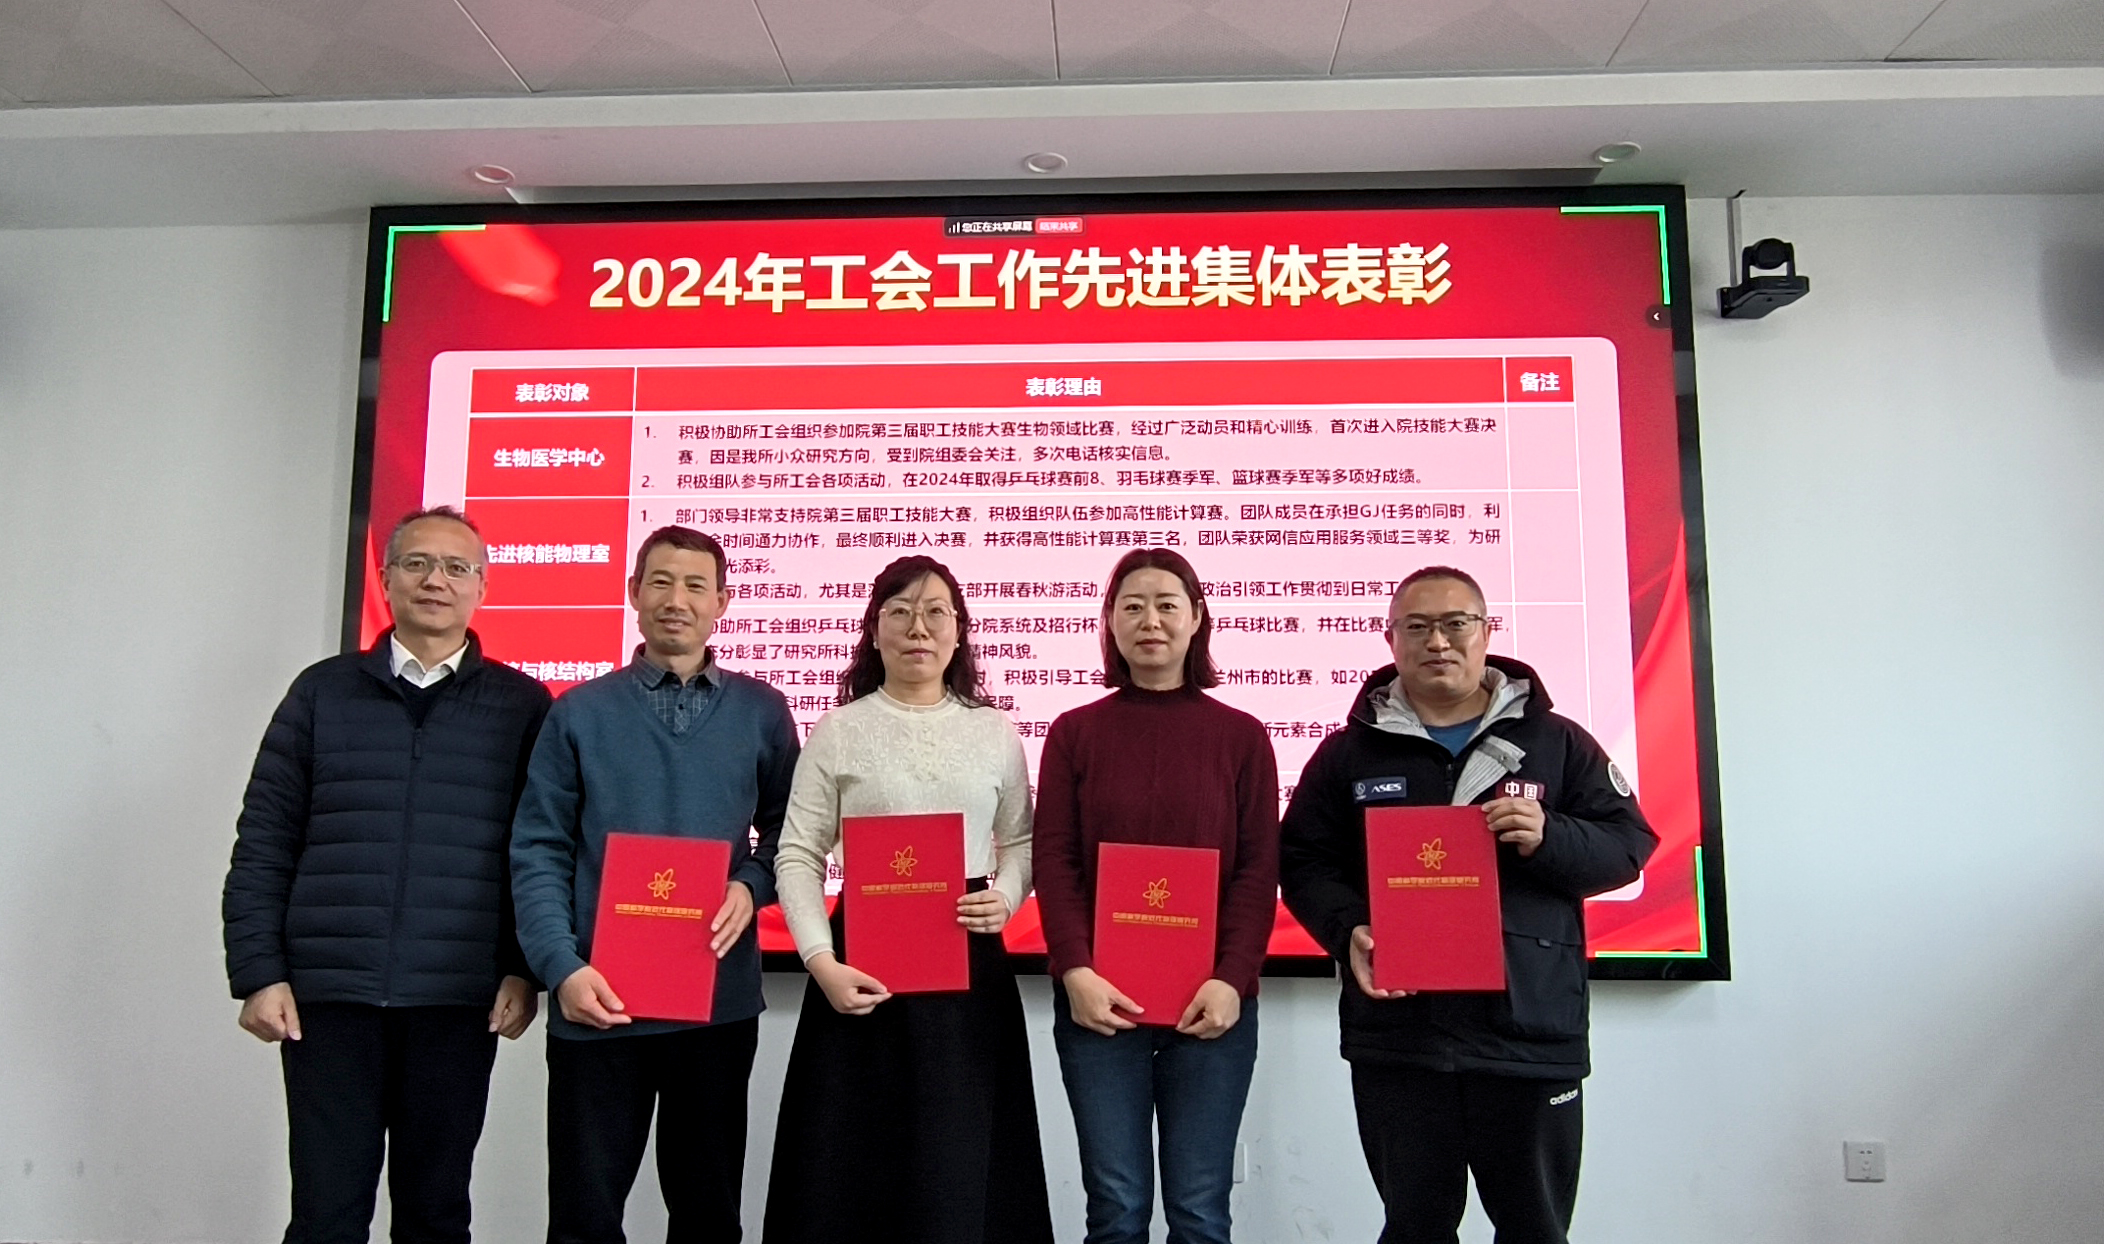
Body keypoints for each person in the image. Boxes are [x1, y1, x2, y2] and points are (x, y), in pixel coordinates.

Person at [1279, 565, 1656, 1244]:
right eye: (1418, 627)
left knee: (1536, 1229)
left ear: (1486, 632)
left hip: (1529, 1032)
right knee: (1414, 1227)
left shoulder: (1557, 742)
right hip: (1400, 1037)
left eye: (1456, 624)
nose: (1438, 642)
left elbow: (1629, 846)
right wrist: (1349, 928)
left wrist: (1550, 836)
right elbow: (1302, 860)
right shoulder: (1348, 754)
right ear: (1390, 639)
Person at [222, 504, 551, 1244]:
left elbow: (538, 851)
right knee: (326, 1213)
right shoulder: (321, 693)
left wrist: (522, 968)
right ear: (386, 578)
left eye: (457, 568)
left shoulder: (522, 706)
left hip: (456, 997)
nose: (436, 580)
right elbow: (264, 839)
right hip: (329, 996)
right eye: (417, 564)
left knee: (436, 1212)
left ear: (482, 588)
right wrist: (259, 973)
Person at [510, 526, 799, 1244]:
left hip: (716, 1007)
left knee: (707, 1218)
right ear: (635, 593)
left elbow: (793, 834)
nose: (678, 600)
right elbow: (539, 848)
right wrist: (561, 968)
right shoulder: (578, 712)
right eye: (662, 582)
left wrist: (749, 884)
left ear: (722, 602)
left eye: (696, 585)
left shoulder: (763, 713)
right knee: (583, 1219)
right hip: (596, 1001)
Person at [763, 555, 1054, 1244]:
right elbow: (798, 853)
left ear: (959, 631)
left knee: (961, 1163)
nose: (917, 627)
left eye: (935, 613)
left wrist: (1007, 896)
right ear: (874, 630)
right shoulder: (839, 729)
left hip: (967, 973)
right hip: (859, 975)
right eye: (899, 612)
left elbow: (1021, 841)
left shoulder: (994, 730)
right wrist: (821, 961)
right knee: (851, 1169)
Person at [1033, 548, 1280, 1244]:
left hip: (1212, 1004)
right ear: (1109, 622)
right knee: (1116, 1210)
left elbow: (1258, 870)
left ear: (1197, 618)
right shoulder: (1075, 733)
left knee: (1200, 1211)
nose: (1151, 621)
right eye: (1132, 605)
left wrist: (1232, 979)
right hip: (1098, 1004)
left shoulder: (1241, 737)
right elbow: (1055, 861)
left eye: (1168, 605)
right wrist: (1075, 970)